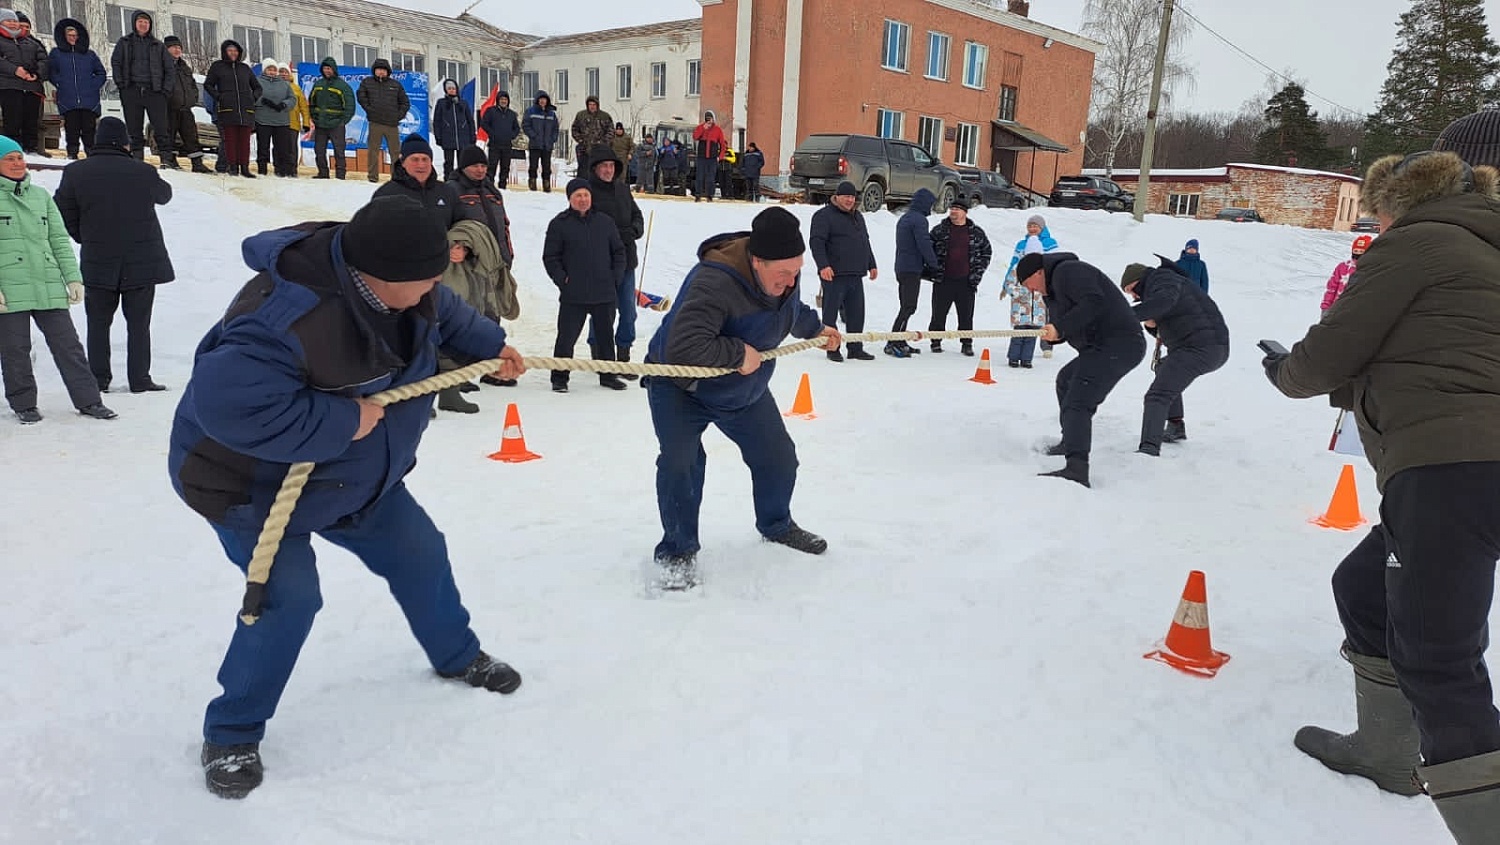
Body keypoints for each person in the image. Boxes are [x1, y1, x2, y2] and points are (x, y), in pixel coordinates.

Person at [168, 195, 527, 800]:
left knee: (420, 552)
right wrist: (341, 422)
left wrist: (492, 347)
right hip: (251, 486)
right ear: (379, 277)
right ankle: (232, 732)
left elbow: (447, 317)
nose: (436, 286)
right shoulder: (283, 318)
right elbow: (226, 407)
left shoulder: (407, 283)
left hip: (354, 479)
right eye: (427, 278)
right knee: (290, 601)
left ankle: (458, 655)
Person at [1263, 148, 1500, 844]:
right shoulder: (1483, 249)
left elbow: (1328, 354)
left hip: (1451, 465)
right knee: (1365, 588)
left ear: (1398, 200)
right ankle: (1386, 751)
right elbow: (1434, 351)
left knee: (1439, 658)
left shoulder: (1416, 243)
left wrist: (1284, 369)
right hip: (1469, 462)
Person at [643, 207, 840, 589]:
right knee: (681, 463)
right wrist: (736, 354)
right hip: (680, 386)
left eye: (797, 271)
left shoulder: (784, 275)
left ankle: (776, 524)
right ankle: (678, 552)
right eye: (783, 273)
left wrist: (816, 329)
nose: (791, 280)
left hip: (741, 390)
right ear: (756, 261)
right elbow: (684, 346)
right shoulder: (713, 282)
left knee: (779, 458)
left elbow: (790, 310)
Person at [53, 116, 173, 394]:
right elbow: (165, 196)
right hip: (142, 260)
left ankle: (98, 379)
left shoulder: (76, 172)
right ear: (125, 142)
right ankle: (140, 379)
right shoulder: (142, 172)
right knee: (139, 324)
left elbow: (62, 210)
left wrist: (83, 236)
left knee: (97, 324)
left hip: (98, 259)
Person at [0, 136, 115, 423]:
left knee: (69, 346)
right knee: (15, 349)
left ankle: (89, 401)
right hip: (9, 287)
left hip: (47, 281)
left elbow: (59, 241)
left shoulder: (40, 197)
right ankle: (24, 404)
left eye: (19, 157)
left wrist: (73, 278)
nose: (17, 163)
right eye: (9, 159)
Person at [1018, 251, 1145, 488]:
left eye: (1029, 284)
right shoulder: (1051, 294)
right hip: (1099, 347)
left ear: (1038, 272)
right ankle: (1070, 441)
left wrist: (1060, 327)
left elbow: (1093, 302)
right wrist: (1054, 335)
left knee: (1078, 400)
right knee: (1066, 380)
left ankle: (1077, 467)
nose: (1032, 291)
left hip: (1120, 343)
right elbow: (1065, 328)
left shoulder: (1070, 271)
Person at [1118, 258, 1228, 455]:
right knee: (1164, 368)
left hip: (1201, 347)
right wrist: (1152, 326)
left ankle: (1148, 449)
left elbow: (1164, 302)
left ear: (1139, 279)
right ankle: (1176, 425)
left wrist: (1122, 315)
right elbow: (1169, 317)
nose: (1134, 296)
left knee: (1157, 396)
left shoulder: (1163, 279)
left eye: (1131, 289)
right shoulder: (1163, 285)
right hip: (1206, 347)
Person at [541, 178, 628, 393]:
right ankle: (559, 377)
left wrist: (615, 277)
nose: (583, 199)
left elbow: (619, 252)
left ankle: (608, 375)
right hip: (574, 294)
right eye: (578, 196)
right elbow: (550, 257)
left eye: (586, 195)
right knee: (566, 338)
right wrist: (563, 280)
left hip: (604, 292)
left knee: (606, 337)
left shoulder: (605, 222)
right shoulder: (559, 224)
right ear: (570, 198)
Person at [581, 143, 645, 380]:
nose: (608, 170)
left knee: (628, 311)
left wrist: (635, 229)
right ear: (595, 169)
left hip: (626, 261)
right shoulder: (587, 192)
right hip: (601, 263)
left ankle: (623, 357)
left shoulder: (622, 189)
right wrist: (617, 233)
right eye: (603, 166)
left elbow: (637, 215)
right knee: (602, 311)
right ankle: (599, 354)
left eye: (611, 166)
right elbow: (584, 224)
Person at [435, 220, 507, 414]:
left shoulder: (448, 195)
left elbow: (463, 225)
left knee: (455, 339)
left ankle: (450, 393)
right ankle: (418, 401)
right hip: (426, 267)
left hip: (455, 271)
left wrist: (465, 246)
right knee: (423, 345)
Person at [810, 180, 877, 361]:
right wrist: (823, 265)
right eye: (846, 196)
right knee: (830, 314)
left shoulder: (858, 216)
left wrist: (872, 264)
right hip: (833, 274)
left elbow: (865, 241)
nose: (849, 200)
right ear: (836, 197)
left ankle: (855, 348)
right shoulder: (823, 216)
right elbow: (816, 242)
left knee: (856, 314)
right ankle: (832, 348)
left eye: (852, 197)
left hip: (855, 273)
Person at [928, 197, 992, 357]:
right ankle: (935, 340)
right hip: (943, 280)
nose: (953, 212)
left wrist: (977, 273)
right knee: (938, 313)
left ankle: (966, 343)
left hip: (966, 282)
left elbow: (987, 251)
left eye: (957, 209)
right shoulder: (939, 230)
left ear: (965, 212)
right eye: (952, 208)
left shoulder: (976, 232)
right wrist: (932, 269)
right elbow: (927, 249)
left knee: (966, 314)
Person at [109, 10, 171, 164]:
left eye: (146, 22)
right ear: (134, 23)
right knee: (134, 128)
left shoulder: (158, 45)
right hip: (132, 90)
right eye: (140, 22)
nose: (143, 25)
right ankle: (137, 159)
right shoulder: (124, 42)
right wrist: (121, 84)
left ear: (150, 25)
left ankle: (166, 159)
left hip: (154, 91)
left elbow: (169, 69)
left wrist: (165, 90)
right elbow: (116, 63)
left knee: (161, 128)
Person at [887, 187, 940, 357]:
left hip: (902, 267)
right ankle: (893, 341)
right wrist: (934, 264)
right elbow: (923, 244)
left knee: (906, 305)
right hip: (911, 269)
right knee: (909, 306)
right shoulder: (919, 220)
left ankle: (900, 340)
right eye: (930, 204)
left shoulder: (905, 218)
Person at [1001, 214, 1059, 366]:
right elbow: (1010, 282)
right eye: (1030, 226)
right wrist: (1017, 293)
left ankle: (1027, 358)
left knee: (1032, 334)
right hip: (1021, 306)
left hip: (1038, 307)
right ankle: (1013, 357)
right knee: (1019, 333)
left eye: (1036, 226)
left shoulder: (1045, 265)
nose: (1032, 228)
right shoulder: (1018, 268)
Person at [48, 17, 104, 160]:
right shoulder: (56, 53)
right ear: (64, 36)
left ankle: (91, 154)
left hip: (89, 100)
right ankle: (72, 153)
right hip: (68, 98)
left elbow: (101, 73)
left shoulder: (89, 54)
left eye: (75, 35)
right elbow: (51, 72)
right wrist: (60, 83)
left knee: (89, 129)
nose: (72, 38)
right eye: (69, 35)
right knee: (71, 129)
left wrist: (93, 85)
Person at [374, 135, 460, 226]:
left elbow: (463, 221)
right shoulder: (386, 194)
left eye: (425, 159)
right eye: (415, 159)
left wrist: (458, 237)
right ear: (403, 163)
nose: (421, 165)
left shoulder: (447, 191)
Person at [203, 39, 259, 178]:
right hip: (227, 110)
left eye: (235, 51)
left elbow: (257, 87)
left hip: (245, 110)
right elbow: (208, 84)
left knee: (244, 141)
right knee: (230, 140)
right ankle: (233, 167)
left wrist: (252, 98)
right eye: (230, 50)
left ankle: (245, 167)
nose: (233, 53)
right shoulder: (218, 67)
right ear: (224, 52)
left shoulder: (245, 69)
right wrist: (219, 97)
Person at [0, 9, 47, 156]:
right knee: (12, 122)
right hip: (9, 86)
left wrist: (36, 73)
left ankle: (32, 149)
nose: (13, 24)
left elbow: (44, 60)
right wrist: (15, 70)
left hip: (31, 87)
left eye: (15, 21)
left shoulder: (30, 42)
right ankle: (12, 151)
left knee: (31, 122)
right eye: (9, 21)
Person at [161, 35, 211, 172]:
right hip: (169, 108)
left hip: (185, 108)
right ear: (166, 49)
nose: (177, 50)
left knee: (191, 136)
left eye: (179, 48)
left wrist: (193, 98)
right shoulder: (161, 65)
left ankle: (197, 163)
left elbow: (192, 85)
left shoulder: (184, 67)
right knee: (168, 136)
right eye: (174, 47)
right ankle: (169, 160)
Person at [355, 58, 408, 183]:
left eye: (383, 70)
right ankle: (372, 177)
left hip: (392, 125)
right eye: (379, 70)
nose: (381, 72)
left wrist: (398, 116)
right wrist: (369, 110)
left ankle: (397, 178)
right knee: (373, 151)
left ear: (388, 71)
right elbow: (361, 96)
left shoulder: (395, 85)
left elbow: (405, 102)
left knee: (395, 153)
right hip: (375, 123)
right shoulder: (367, 82)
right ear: (374, 70)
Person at [306, 58, 354, 180]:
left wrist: (342, 121)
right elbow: (311, 102)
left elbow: (350, 106)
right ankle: (323, 173)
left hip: (336, 125)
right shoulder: (318, 84)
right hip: (320, 125)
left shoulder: (343, 86)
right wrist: (314, 117)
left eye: (329, 68)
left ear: (334, 69)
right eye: (325, 68)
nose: (327, 71)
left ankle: (340, 175)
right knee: (319, 150)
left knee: (339, 151)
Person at [252, 59, 295, 177]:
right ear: (264, 70)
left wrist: (283, 104)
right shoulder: (257, 81)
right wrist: (263, 101)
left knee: (282, 148)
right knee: (263, 147)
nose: (272, 72)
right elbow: (251, 96)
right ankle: (262, 170)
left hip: (281, 121)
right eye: (269, 69)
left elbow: (292, 99)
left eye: (274, 69)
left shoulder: (284, 84)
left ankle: (282, 171)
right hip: (263, 120)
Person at [432, 78, 475, 180]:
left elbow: (470, 121)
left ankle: (462, 180)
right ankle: (449, 180)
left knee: (462, 162)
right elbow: (437, 121)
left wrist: (472, 135)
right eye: (449, 88)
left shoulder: (463, 103)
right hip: (448, 138)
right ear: (446, 90)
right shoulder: (441, 103)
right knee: (448, 162)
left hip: (463, 138)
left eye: (453, 88)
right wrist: (438, 136)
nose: (452, 90)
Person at [478, 89, 519, 188]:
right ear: (498, 100)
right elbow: (483, 123)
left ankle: (503, 185)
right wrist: (492, 133)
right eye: (501, 99)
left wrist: (511, 135)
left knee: (505, 167)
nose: (503, 101)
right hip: (494, 144)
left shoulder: (512, 114)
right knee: (492, 166)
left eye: (505, 99)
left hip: (507, 145)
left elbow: (517, 128)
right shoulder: (491, 111)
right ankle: (489, 186)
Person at [1321, 235, 1371, 311]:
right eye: (1356, 251)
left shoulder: (1370, 269)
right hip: (1337, 308)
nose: (1357, 254)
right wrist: (1326, 306)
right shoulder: (1343, 267)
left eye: (1361, 252)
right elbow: (1332, 288)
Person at [522, 90, 557, 192]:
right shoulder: (530, 111)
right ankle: (532, 184)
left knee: (546, 166)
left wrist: (553, 139)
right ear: (537, 100)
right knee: (533, 166)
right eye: (540, 99)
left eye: (544, 99)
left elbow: (555, 128)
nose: (542, 101)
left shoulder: (551, 114)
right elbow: (525, 125)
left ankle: (546, 185)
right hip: (535, 144)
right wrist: (533, 136)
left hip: (547, 145)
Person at [569, 95, 612, 172]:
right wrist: (581, 140)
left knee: (598, 172)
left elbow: (610, 132)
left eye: (594, 105)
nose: (592, 107)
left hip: (599, 151)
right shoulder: (581, 115)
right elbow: (574, 129)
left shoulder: (604, 116)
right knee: (583, 172)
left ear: (597, 105)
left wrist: (602, 143)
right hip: (584, 149)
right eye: (590, 104)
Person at [691, 110, 725, 202]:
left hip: (712, 158)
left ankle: (710, 195)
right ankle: (698, 195)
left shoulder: (718, 130)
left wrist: (720, 156)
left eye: (710, 119)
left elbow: (722, 144)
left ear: (713, 119)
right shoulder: (700, 127)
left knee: (711, 178)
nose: (709, 121)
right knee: (699, 177)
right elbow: (695, 137)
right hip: (701, 157)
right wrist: (703, 128)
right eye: (707, 119)